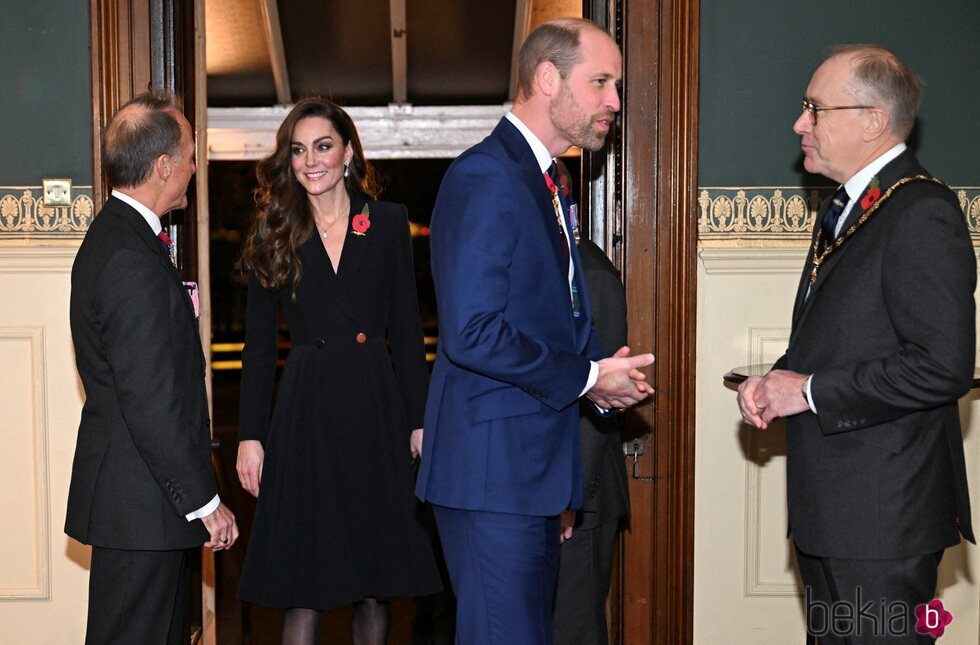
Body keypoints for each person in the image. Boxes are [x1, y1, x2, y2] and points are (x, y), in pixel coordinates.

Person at [415, 18, 654, 645]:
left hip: (528, 475)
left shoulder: (544, 178)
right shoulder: (487, 176)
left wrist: (600, 381)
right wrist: (587, 377)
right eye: (601, 82)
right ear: (547, 78)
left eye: (616, 85)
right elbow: (471, 331)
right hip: (491, 473)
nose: (614, 102)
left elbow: (551, 316)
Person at [737, 45, 975, 643]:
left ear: (873, 120)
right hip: (836, 514)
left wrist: (810, 391)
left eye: (814, 109)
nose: (799, 124)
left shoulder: (920, 211)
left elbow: (943, 367)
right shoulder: (852, 207)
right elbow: (844, 335)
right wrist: (778, 378)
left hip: (882, 520)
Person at [235, 97, 442, 645]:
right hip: (306, 411)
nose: (311, 161)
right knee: (305, 584)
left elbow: (406, 329)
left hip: (374, 408)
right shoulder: (272, 230)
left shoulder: (388, 221)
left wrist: (419, 420)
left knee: (372, 585)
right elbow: (258, 348)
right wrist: (250, 435)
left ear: (348, 151)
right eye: (299, 150)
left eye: (323, 146)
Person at [66, 92, 238, 645]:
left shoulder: (121, 238)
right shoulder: (128, 258)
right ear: (163, 166)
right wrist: (206, 503)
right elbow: (151, 399)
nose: (194, 165)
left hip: (140, 504)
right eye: (190, 154)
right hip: (139, 505)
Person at [552, 195, 631, 645]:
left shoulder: (590, 273)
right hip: (554, 493)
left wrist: (569, 495)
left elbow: (599, 400)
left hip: (582, 499)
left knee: (574, 631)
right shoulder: (553, 268)